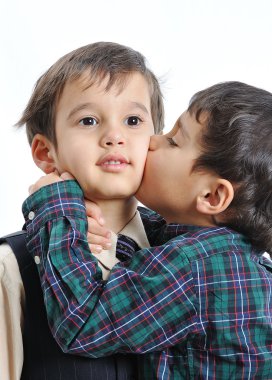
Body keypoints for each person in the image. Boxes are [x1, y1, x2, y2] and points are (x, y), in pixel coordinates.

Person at [24, 81, 272, 379]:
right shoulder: (243, 265)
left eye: (174, 141)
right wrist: (90, 223)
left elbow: (82, 323)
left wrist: (55, 207)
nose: (152, 141)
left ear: (212, 197)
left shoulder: (194, 270)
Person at [0, 41, 165, 380]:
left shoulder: (189, 252)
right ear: (47, 153)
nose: (114, 135)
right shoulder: (12, 267)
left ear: (156, 142)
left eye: (133, 120)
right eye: (89, 120)